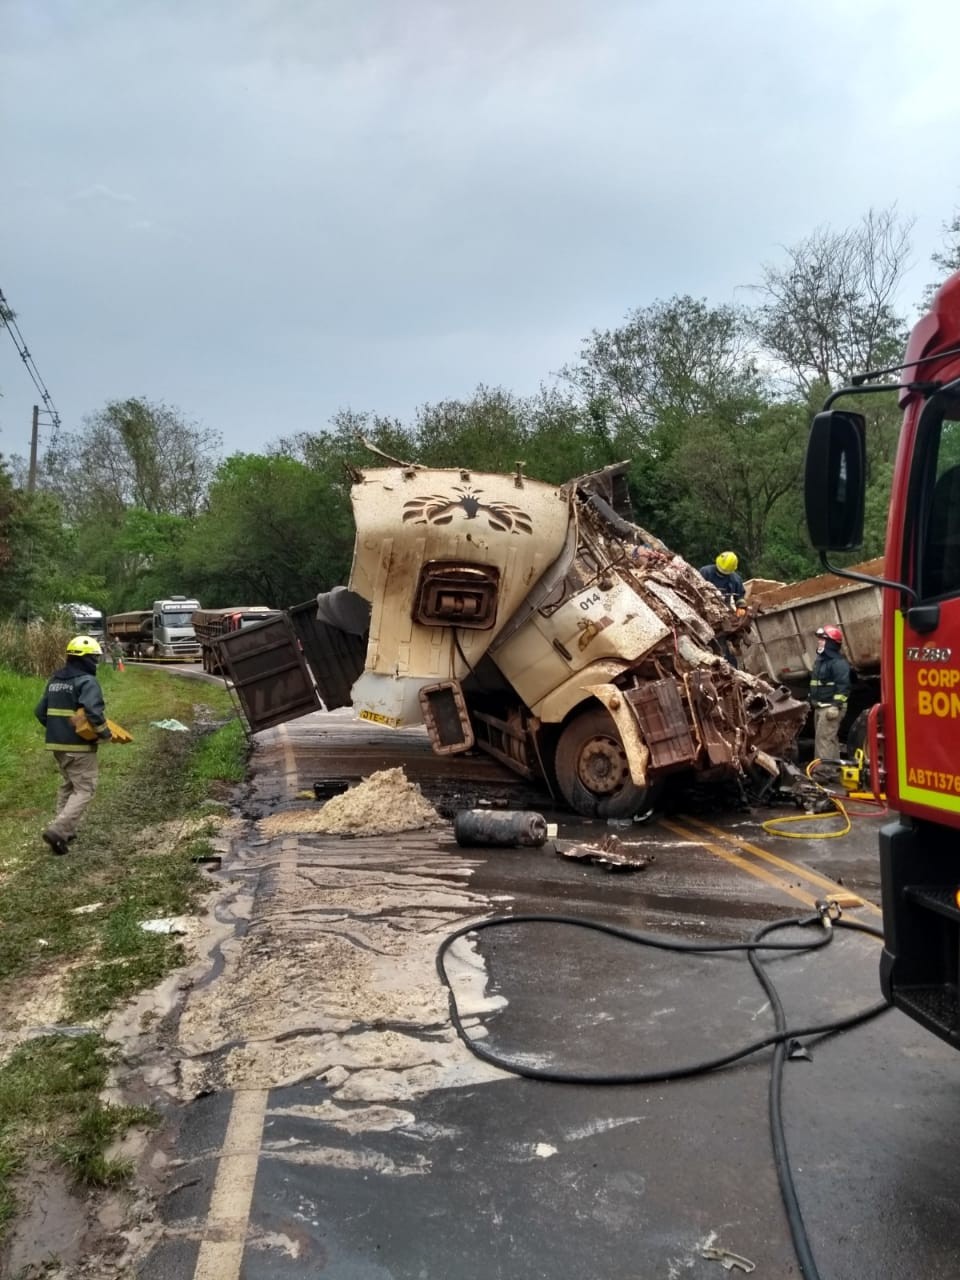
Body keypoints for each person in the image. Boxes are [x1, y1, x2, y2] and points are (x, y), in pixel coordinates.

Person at [34, 634, 112, 855]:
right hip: (79, 747)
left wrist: (57, 729)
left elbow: (40, 712)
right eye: (94, 657)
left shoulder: (55, 680)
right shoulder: (87, 681)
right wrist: (104, 734)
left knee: (69, 785)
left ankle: (65, 830)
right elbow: (93, 712)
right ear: (86, 659)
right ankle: (59, 831)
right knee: (85, 788)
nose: (95, 662)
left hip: (57, 746)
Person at [809, 625, 851, 773]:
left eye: (823, 639)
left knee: (824, 740)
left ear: (831, 643)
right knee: (829, 739)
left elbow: (843, 687)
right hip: (821, 706)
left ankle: (823, 773)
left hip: (830, 707)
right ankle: (833, 771)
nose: (819, 642)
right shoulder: (821, 661)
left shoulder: (838, 663)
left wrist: (836, 705)